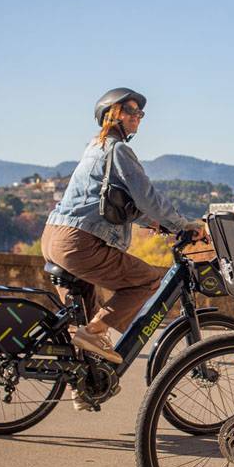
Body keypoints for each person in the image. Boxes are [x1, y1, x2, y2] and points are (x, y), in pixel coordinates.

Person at [40, 87, 205, 386]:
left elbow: (114, 202)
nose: (137, 118)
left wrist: (154, 222)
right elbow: (147, 197)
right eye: (131, 111)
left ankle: (84, 388)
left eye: (140, 113)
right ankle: (96, 331)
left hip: (54, 238)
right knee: (147, 280)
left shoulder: (94, 149)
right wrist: (182, 225)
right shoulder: (118, 150)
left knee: (81, 327)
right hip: (80, 243)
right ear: (112, 115)